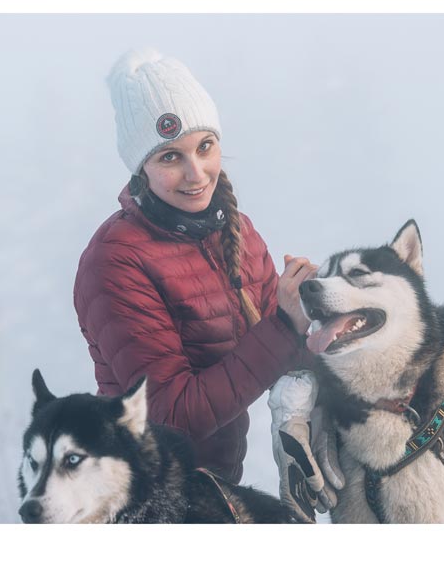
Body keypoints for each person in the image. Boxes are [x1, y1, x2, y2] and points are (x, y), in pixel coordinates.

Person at [74, 49, 339, 514]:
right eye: (170, 157)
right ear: (141, 169)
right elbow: (173, 417)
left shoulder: (235, 230)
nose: (196, 174)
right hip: (137, 501)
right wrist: (284, 324)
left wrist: (325, 329)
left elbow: (281, 349)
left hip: (208, 487)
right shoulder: (115, 261)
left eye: (205, 147)